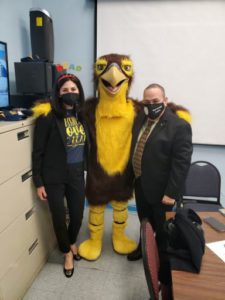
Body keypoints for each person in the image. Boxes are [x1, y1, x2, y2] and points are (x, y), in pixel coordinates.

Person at [128, 83, 193, 295]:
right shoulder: (140, 120)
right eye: (147, 102)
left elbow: (181, 163)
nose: (151, 105)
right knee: (144, 221)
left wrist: (171, 193)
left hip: (163, 191)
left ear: (165, 101)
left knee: (164, 233)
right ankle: (144, 247)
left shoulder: (179, 126)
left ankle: (164, 273)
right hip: (141, 183)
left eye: (155, 101)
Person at [32, 73, 88, 278]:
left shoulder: (82, 115)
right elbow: (38, 151)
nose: (70, 93)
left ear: (79, 92)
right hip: (54, 176)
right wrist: (38, 182)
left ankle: (71, 240)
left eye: (73, 90)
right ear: (58, 93)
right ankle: (66, 253)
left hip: (76, 174)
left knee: (77, 214)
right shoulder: (47, 117)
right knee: (58, 216)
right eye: (65, 90)